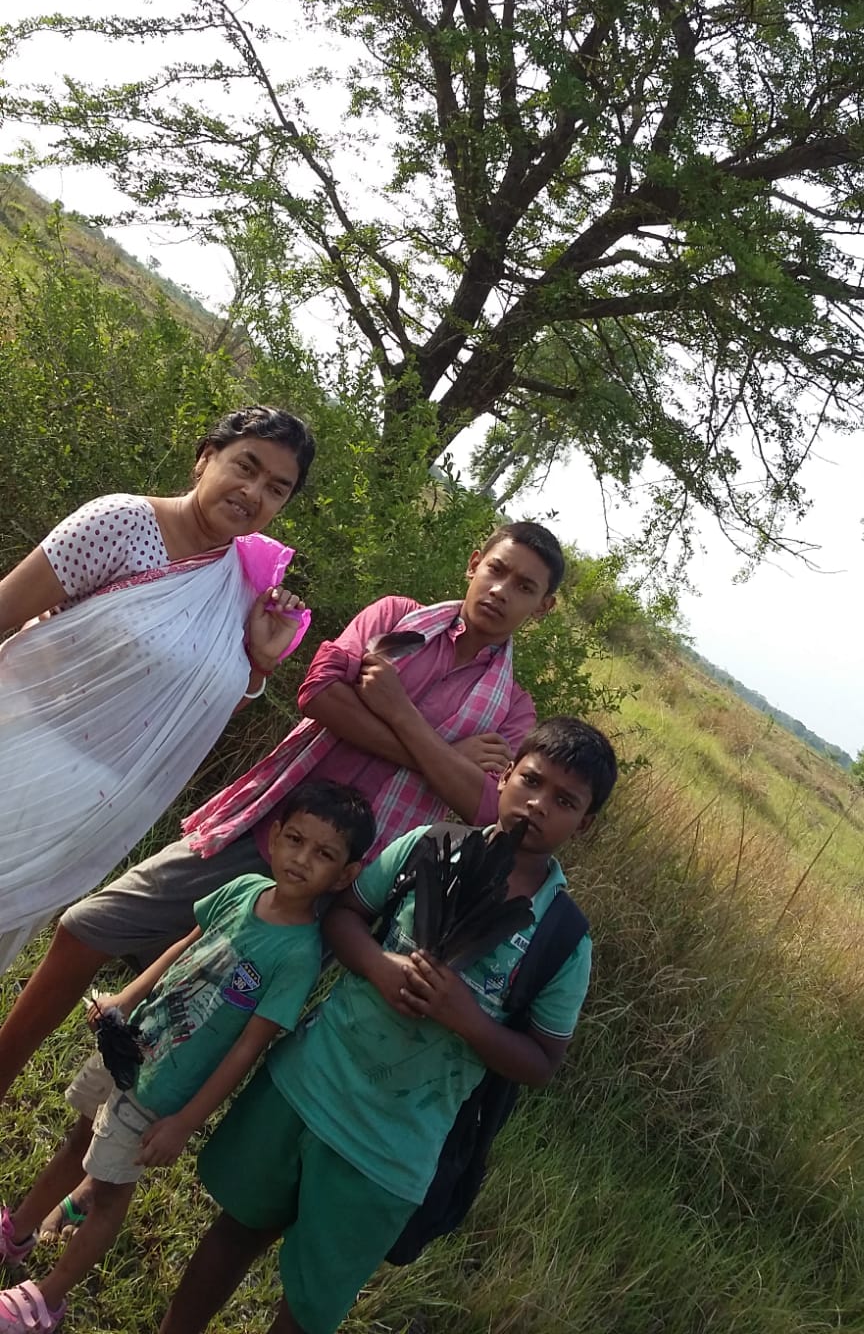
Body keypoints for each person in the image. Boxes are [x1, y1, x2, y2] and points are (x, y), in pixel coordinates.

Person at [0, 521, 563, 1109]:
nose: (501, 590)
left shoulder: (513, 709)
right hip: (268, 823)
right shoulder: (399, 619)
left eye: (524, 587)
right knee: (89, 928)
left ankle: (91, 1158)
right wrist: (445, 756)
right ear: (474, 563)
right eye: (497, 569)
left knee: (197, 1024)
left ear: (542, 607)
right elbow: (319, 693)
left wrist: (398, 710)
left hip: (339, 881)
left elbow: (484, 805)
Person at [157, 716, 617, 1334]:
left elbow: (541, 1061)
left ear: (584, 824)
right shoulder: (431, 846)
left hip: (388, 1149)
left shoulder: (563, 937)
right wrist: (379, 966)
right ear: (505, 775)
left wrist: (465, 1019)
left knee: (310, 1305)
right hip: (306, 1084)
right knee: (235, 1231)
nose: (538, 805)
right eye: (531, 781)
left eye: (565, 801)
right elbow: (345, 916)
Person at [0, 781, 375, 1334]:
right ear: (273, 836)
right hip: (130, 1047)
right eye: (296, 839)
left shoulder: (298, 955)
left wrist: (185, 1122)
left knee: (111, 1193)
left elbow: (248, 1048)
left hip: (164, 1090)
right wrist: (126, 999)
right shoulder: (243, 887)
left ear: (345, 875)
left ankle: (45, 1301)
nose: (301, 859)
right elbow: (187, 943)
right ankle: (18, 1232)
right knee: (80, 1139)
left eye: (324, 854)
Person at [0, 405, 315, 975]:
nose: (252, 492)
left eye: (276, 488)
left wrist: (261, 662)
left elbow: (194, 708)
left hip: (90, 809)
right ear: (205, 458)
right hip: (19, 755)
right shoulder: (121, 522)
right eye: (245, 466)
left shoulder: (244, 586)